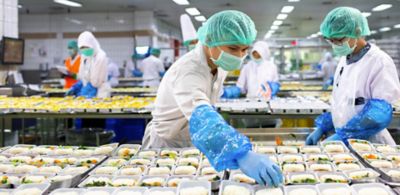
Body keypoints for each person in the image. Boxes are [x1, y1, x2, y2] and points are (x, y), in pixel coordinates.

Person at [142, 10, 283, 187]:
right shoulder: (188, 70)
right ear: (209, 41)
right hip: (167, 144)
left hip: (192, 140)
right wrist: (241, 154)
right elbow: (202, 118)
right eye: (233, 48)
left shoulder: (218, 62)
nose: (239, 56)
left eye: (244, 49)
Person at [306, 7, 400, 146]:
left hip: (371, 146)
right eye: (330, 40)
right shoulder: (344, 60)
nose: (334, 44)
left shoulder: (379, 61)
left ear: (356, 32)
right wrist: (323, 127)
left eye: (338, 40)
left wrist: (342, 136)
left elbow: (379, 114)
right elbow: (343, 106)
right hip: (344, 145)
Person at [66, 31, 111, 98]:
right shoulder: (85, 56)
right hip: (88, 90)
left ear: (92, 44)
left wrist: (88, 89)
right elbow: (82, 75)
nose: (84, 50)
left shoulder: (100, 56)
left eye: (86, 47)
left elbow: (96, 81)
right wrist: (77, 86)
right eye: (82, 48)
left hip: (100, 91)